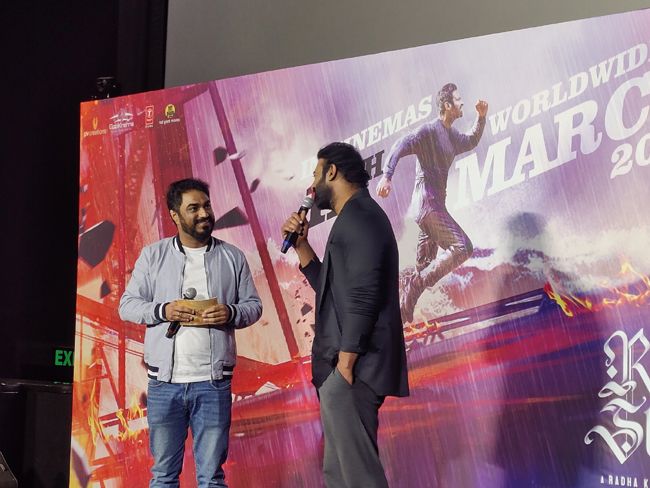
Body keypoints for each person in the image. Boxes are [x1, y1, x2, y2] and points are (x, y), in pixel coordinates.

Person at [119, 178, 262, 488]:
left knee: (212, 478)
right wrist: (164, 310)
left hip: (213, 384)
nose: (204, 214)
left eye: (207, 206)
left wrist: (230, 312)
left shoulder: (233, 256)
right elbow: (127, 306)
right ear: (174, 215)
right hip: (164, 384)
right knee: (163, 477)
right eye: (193, 208)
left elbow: (254, 306)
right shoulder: (153, 256)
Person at [281, 142, 409, 488]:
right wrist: (301, 246)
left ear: (332, 172)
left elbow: (365, 296)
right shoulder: (353, 218)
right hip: (345, 371)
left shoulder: (362, 217)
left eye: (315, 174)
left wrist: (346, 365)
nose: (312, 185)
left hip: (354, 371)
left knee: (358, 478)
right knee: (339, 476)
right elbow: (332, 291)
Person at [376, 83, 488, 323]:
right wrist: (387, 175)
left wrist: (481, 118)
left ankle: (401, 314)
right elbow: (401, 145)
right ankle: (413, 284)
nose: (462, 103)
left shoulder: (452, 136)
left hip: (434, 208)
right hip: (428, 206)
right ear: (447, 105)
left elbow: (471, 141)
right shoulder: (428, 131)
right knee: (462, 248)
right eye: (458, 99)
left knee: (424, 267)